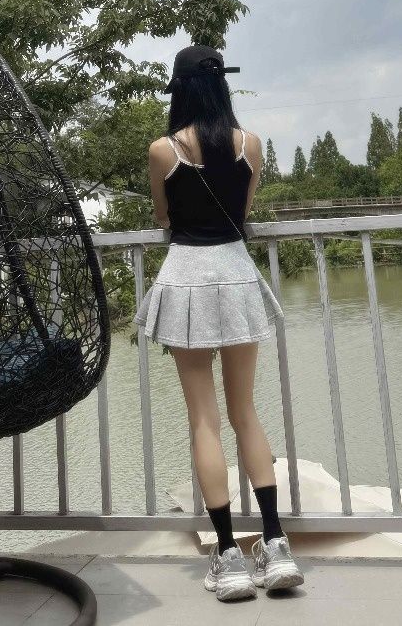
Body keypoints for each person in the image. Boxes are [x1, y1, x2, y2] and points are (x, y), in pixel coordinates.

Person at [133, 44, 304, 603]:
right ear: (221, 86)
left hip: (186, 277)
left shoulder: (163, 150)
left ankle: (228, 557)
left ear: (179, 90)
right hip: (235, 273)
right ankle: (275, 545)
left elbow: (163, 216)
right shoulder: (250, 144)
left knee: (203, 420)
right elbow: (243, 211)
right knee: (245, 411)